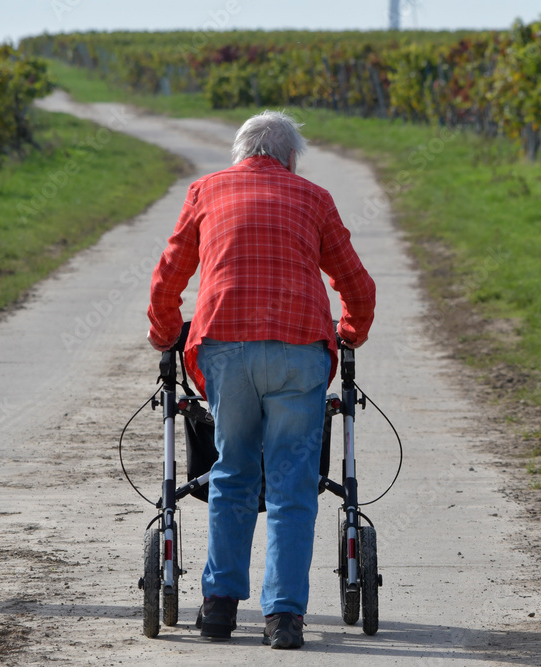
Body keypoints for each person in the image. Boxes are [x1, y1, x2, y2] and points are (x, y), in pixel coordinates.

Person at [147, 110, 376, 649]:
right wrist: (349, 332)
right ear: (290, 158)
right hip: (299, 349)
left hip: (226, 348)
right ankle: (284, 617)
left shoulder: (205, 191)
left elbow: (168, 278)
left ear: (240, 153)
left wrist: (164, 334)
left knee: (232, 472)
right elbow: (357, 286)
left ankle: (219, 607)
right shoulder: (315, 198)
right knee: (293, 482)